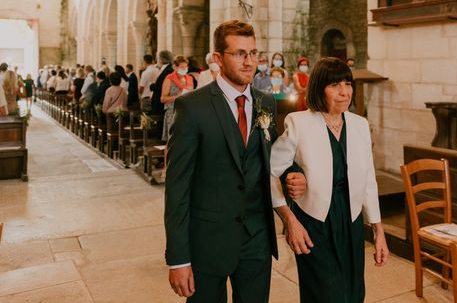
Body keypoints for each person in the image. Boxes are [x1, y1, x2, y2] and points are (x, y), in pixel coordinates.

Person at [164, 20, 306, 302]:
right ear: (218, 58)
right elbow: (177, 188)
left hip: (256, 237)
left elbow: (274, 155)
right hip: (208, 239)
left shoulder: (265, 102)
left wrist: (293, 172)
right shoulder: (193, 107)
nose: (249, 61)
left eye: (253, 53)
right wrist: (178, 259)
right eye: (240, 53)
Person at [271, 57, 389, 303]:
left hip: (351, 218)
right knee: (325, 294)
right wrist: (289, 218)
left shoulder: (359, 125)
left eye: (347, 83)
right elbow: (271, 171)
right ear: (318, 88)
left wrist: (378, 231)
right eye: (334, 85)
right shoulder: (298, 122)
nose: (344, 92)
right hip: (314, 222)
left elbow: (368, 180)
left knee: (353, 292)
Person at [160, 56, 195, 143]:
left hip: (187, 113)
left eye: (186, 67)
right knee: (174, 141)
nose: (184, 69)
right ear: (175, 67)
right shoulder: (169, 79)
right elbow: (162, 99)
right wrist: (177, 96)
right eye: (182, 67)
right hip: (173, 113)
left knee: (186, 141)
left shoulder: (190, 79)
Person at [151, 50, 174, 115]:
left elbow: (161, 86)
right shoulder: (165, 69)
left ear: (161, 59)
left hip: (161, 103)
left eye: (158, 58)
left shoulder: (168, 70)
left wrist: (152, 86)